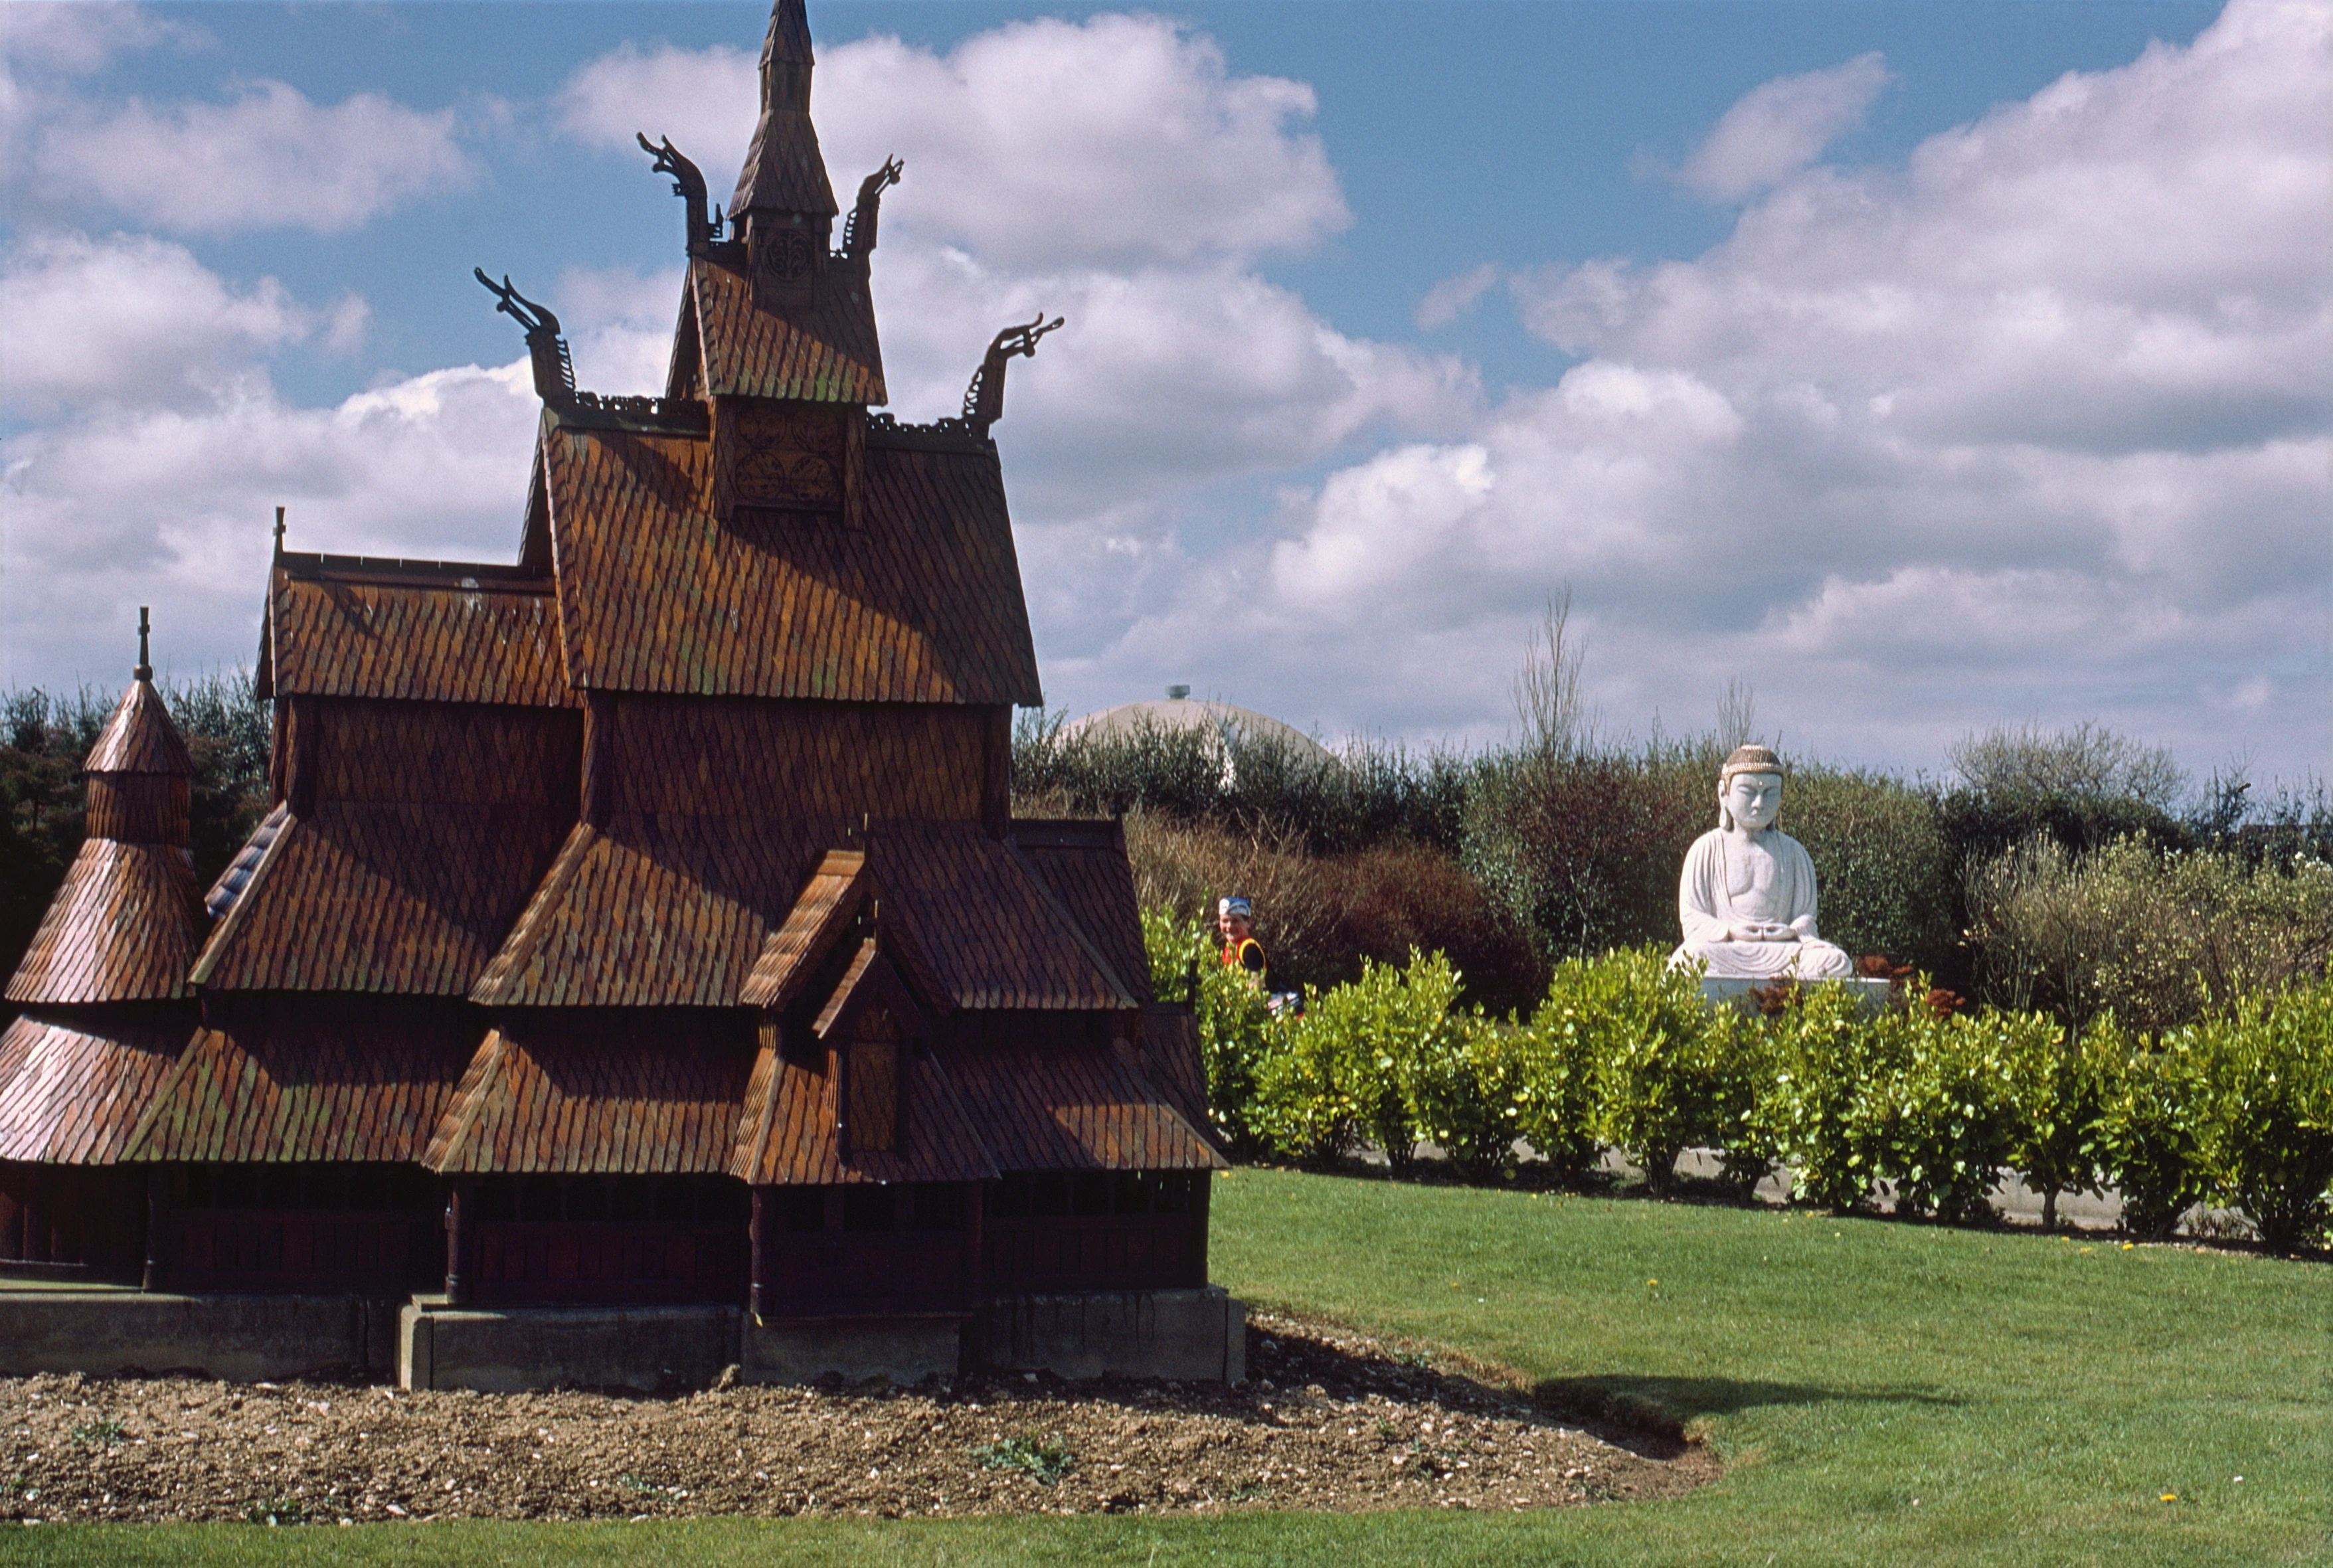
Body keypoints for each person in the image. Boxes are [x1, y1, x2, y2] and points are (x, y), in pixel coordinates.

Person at [1671, 744, 1854, 980]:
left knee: (1836, 961)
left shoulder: (1794, 854)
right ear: (1723, 794)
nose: (1759, 803)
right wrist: (1729, 931)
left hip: (1782, 952)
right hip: (1727, 950)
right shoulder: (1706, 850)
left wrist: (1789, 931)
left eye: (1770, 793)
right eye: (1748, 792)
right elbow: (1692, 917)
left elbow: (1807, 918)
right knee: (1691, 957)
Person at [1217, 895, 1266, 982]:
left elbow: (1256, 991)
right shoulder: (1229, 949)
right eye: (1225, 921)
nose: (1229, 926)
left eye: (1235, 921)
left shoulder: (1250, 950)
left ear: (1248, 923)